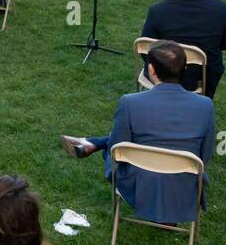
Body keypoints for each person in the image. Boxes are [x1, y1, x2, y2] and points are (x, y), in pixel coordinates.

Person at [60, 40, 216, 225]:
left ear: (151, 69)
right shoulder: (205, 106)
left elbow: (117, 150)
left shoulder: (130, 103)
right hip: (184, 186)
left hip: (140, 184)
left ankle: (93, 143)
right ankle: (92, 142)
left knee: (113, 148)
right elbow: (205, 155)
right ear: (185, 68)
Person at [141, 0, 226, 97]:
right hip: (204, 76)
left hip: (165, 75)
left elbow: (146, 50)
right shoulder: (219, 8)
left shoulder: (158, 11)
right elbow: (224, 44)